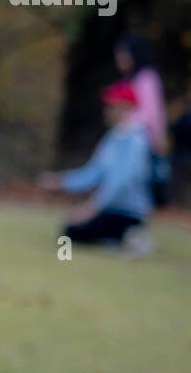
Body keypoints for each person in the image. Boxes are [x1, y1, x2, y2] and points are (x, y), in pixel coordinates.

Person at [38, 81, 153, 253]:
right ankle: (120, 240)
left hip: (128, 212)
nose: (106, 111)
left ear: (126, 107)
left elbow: (122, 183)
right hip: (108, 208)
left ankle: (128, 237)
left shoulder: (136, 142)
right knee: (71, 229)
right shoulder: (112, 139)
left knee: (73, 231)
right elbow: (92, 173)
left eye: (111, 105)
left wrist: (93, 207)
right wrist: (61, 181)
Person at [114, 33, 170, 205]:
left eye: (123, 54)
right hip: (127, 138)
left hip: (141, 140)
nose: (119, 59)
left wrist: (158, 141)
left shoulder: (146, 78)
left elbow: (151, 115)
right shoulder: (129, 80)